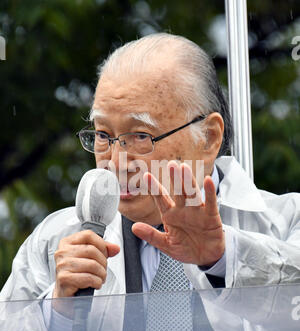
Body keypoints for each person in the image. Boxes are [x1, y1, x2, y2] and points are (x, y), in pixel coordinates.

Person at [1, 32, 300, 304]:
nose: (116, 164)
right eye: (103, 136)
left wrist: (223, 259)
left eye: (141, 136)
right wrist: (59, 315)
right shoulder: (54, 242)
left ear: (209, 138)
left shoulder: (289, 221)